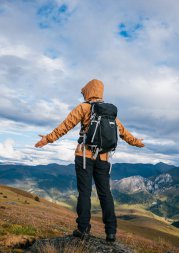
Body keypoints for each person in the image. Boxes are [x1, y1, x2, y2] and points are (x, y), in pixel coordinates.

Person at [35, 79, 144, 242]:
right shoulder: (109, 112)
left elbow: (65, 126)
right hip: (104, 158)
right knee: (105, 194)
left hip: (84, 156)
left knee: (84, 193)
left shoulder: (83, 107)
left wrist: (48, 139)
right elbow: (123, 132)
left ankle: (83, 230)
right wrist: (137, 142)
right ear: (100, 92)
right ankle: (111, 232)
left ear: (88, 91)